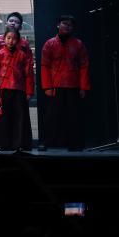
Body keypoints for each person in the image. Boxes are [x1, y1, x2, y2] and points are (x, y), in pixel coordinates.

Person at [40, 15, 90, 151]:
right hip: (55, 85)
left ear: (73, 28)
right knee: (52, 116)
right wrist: (47, 86)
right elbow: (45, 66)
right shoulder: (49, 44)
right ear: (58, 25)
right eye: (64, 23)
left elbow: (84, 66)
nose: (67, 26)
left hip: (73, 85)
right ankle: (47, 142)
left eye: (70, 25)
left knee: (74, 116)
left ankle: (75, 143)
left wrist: (83, 87)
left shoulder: (78, 44)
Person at [0, 28, 34, 152]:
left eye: (14, 38)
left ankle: (19, 144)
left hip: (19, 90)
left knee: (19, 118)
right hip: (3, 90)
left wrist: (29, 91)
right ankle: (3, 144)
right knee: (3, 118)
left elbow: (28, 75)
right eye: (8, 38)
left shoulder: (22, 55)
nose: (11, 41)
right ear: (4, 39)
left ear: (18, 40)